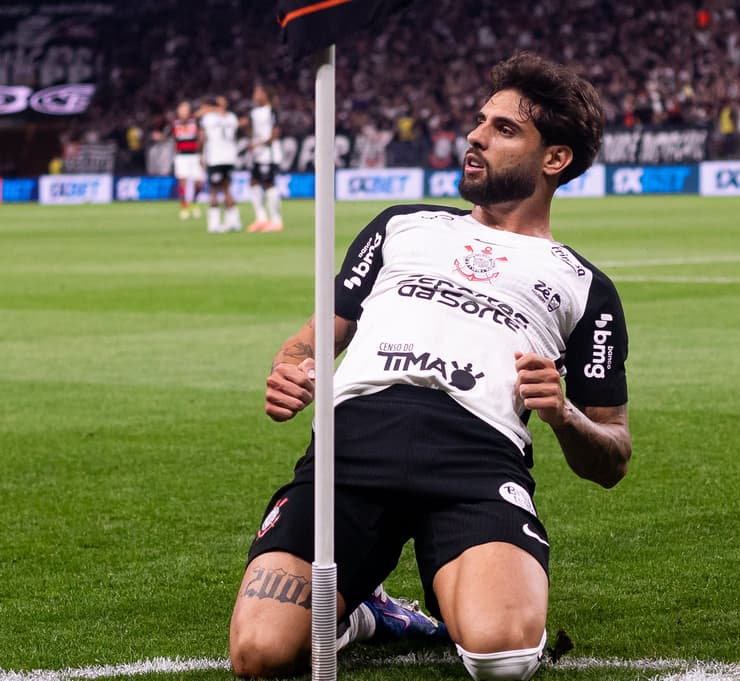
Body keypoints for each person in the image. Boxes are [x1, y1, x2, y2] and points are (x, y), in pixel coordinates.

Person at [229, 52, 632, 681]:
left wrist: (564, 412)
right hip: (351, 450)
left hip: (474, 460)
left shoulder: (585, 286)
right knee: (260, 655)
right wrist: (293, 371)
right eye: (480, 121)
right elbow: (308, 343)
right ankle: (364, 611)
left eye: (504, 129)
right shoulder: (400, 227)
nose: (475, 135)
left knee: (503, 659)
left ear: (555, 159)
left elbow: (613, 455)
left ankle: (466, 591)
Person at [242, 84, 283, 232]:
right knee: (253, 183)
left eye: (258, 92)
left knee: (269, 184)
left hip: (269, 154)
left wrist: (257, 144)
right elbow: (250, 131)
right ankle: (261, 218)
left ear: (266, 94)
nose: (255, 95)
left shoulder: (272, 111)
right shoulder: (253, 113)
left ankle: (276, 220)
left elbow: (275, 134)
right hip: (257, 154)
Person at [198, 96, 242, 233]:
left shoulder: (208, 119)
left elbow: (202, 138)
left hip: (216, 158)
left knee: (214, 190)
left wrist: (200, 155)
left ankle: (214, 224)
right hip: (230, 157)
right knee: (227, 189)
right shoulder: (232, 118)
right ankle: (233, 221)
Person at [170, 100, 204, 220]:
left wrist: (201, 155)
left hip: (195, 155)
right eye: (181, 109)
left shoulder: (195, 122)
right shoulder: (174, 123)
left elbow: (201, 137)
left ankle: (194, 203)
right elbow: (172, 138)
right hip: (181, 156)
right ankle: (184, 206)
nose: (183, 112)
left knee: (198, 182)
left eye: (185, 109)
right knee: (182, 181)